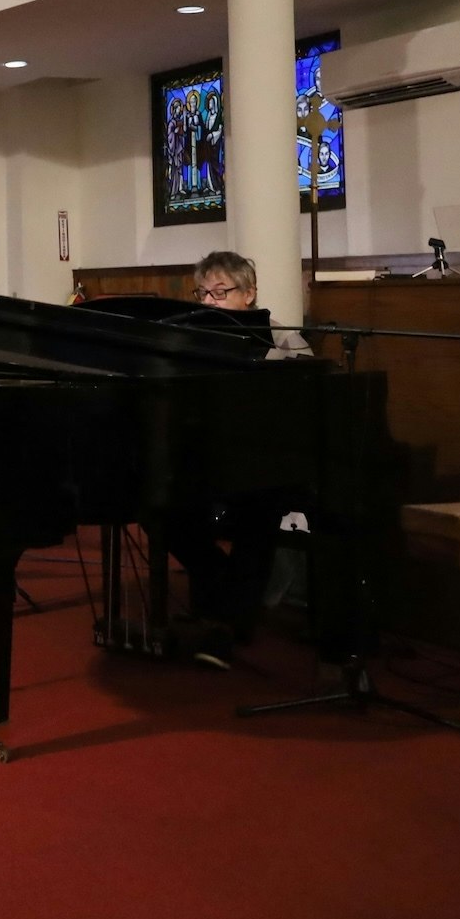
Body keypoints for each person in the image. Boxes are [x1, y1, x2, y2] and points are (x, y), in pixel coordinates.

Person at [162, 250, 309, 668]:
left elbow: (298, 405)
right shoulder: (189, 342)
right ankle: (226, 598)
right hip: (203, 459)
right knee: (159, 510)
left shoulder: (284, 339)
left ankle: (228, 621)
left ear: (249, 294)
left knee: (255, 516)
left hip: (265, 464)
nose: (209, 302)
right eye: (203, 293)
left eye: (220, 292)